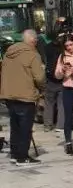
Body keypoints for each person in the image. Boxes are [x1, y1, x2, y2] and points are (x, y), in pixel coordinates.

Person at [0, 29, 46, 165]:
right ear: (33, 41)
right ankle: (22, 156)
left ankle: (14, 154)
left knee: (15, 126)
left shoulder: (8, 53)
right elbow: (39, 77)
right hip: (25, 95)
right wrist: (43, 89)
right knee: (25, 128)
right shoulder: (33, 55)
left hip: (9, 95)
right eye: (36, 40)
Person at [53, 35, 73, 156]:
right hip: (67, 88)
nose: (69, 48)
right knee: (68, 116)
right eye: (67, 46)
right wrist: (62, 70)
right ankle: (68, 143)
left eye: (71, 44)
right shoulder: (62, 56)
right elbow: (57, 75)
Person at [41, 32, 65, 133]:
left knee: (49, 103)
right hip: (63, 79)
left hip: (50, 78)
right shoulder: (65, 48)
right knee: (61, 103)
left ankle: (47, 124)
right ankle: (60, 126)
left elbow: (44, 60)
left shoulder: (46, 47)